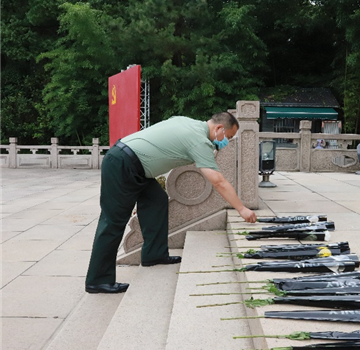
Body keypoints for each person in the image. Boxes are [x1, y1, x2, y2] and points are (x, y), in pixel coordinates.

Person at [85, 112, 257, 294]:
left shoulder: (187, 122)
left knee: (157, 201)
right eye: (228, 137)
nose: (226, 142)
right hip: (122, 164)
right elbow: (218, 181)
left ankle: (154, 254)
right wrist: (242, 208)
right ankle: (98, 280)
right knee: (113, 222)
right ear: (219, 128)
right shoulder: (199, 141)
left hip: (136, 167)